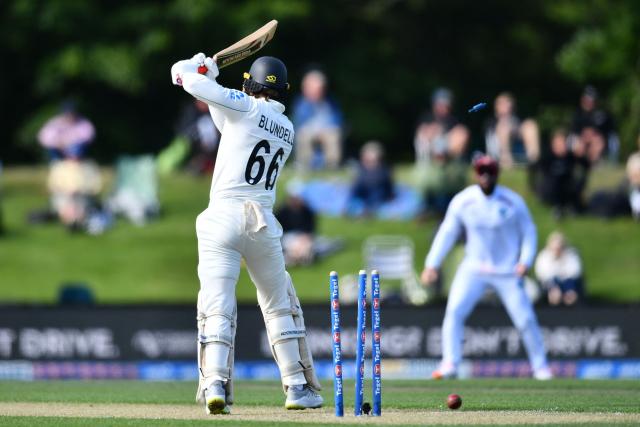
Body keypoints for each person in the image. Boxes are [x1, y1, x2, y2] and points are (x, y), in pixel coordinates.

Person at [171, 54, 323, 415]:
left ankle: (214, 385)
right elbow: (224, 118)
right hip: (263, 225)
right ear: (282, 89)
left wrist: (197, 66)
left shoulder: (246, 108)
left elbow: (183, 78)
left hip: (222, 217)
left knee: (217, 303)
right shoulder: (285, 127)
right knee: (278, 304)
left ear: (249, 85)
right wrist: (213, 79)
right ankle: (297, 388)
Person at [420, 155, 552, 380]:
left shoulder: (512, 202)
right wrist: (432, 264)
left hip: (507, 270)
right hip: (474, 268)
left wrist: (525, 261)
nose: (486, 176)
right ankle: (450, 363)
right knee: (454, 311)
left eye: (490, 171)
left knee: (525, 319)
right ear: (475, 173)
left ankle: (541, 368)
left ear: (497, 174)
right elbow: (447, 233)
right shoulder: (463, 201)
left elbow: (529, 232)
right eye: (482, 171)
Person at [413, 88, 469, 216]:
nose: (443, 107)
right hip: (431, 162)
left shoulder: (456, 121)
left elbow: (460, 140)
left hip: (450, 162)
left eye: (446, 104)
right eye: (441, 104)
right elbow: (423, 137)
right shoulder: (426, 119)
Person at [292, 69, 343, 170]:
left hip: (326, 131)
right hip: (308, 131)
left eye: (320, 89)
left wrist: (326, 129)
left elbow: (337, 120)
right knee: (304, 135)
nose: (319, 91)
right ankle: (304, 165)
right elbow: (300, 122)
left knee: (334, 134)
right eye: (315, 88)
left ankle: (332, 166)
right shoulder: (302, 103)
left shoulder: (330, 102)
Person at [535, 129, 590, 217]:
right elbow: (541, 173)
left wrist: (581, 156)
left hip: (567, 188)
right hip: (552, 189)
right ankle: (560, 208)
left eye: (562, 142)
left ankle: (572, 208)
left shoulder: (570, 156)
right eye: (557, 142)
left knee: (576, 182)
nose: (560, 145)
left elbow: (586, 166)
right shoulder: (547, 157)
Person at [485, 92, 540, 169]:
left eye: (508, 102)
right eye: (502, 103)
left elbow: (518, 128)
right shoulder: (492, 122)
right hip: (499, 154)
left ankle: (534, 163)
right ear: (496, 106)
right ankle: (507, 164)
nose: (506, 105)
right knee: (504, 127)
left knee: (530, 125)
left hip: (519, 147)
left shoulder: (516, 120)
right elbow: (490, 146)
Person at [570, 85, 618, 163]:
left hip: (596, 138)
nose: (589, 103)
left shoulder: (601, 114)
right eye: (587, 100)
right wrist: (584, 135)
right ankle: (578, 164)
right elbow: (574, 130)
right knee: (578, 145)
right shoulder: (577, 114)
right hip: (580, 137)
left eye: (591, 100)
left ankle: (593, 164)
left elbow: (607, 130)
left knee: (597, 143)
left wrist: (594, 135)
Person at [535, 232, 584, 306]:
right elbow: (543, 275)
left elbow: (575, 272)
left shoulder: (571, 255)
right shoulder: (544, 256)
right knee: (553, 286)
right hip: (549, 284)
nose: (557, 251)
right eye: (555, 248)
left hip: (568, 282)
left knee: (570, 288)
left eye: (560, 248)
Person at [347, 141, 394, 216]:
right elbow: (355, 187)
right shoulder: (360, 169)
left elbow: (388, 187)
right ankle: (353, 209)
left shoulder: (384, 171)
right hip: (361, 194)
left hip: (377, 196)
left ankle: (367, 211)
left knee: (376, 196)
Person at [276, 181, 317, 266]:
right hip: (287, 237)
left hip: (303, 237)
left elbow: (311, 229)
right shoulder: (282, 211)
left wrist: (305, 237)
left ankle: (296, 258)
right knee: (295, 245)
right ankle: (298, 258)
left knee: (305, 244)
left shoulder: (307, 211)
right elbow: (278, 231)